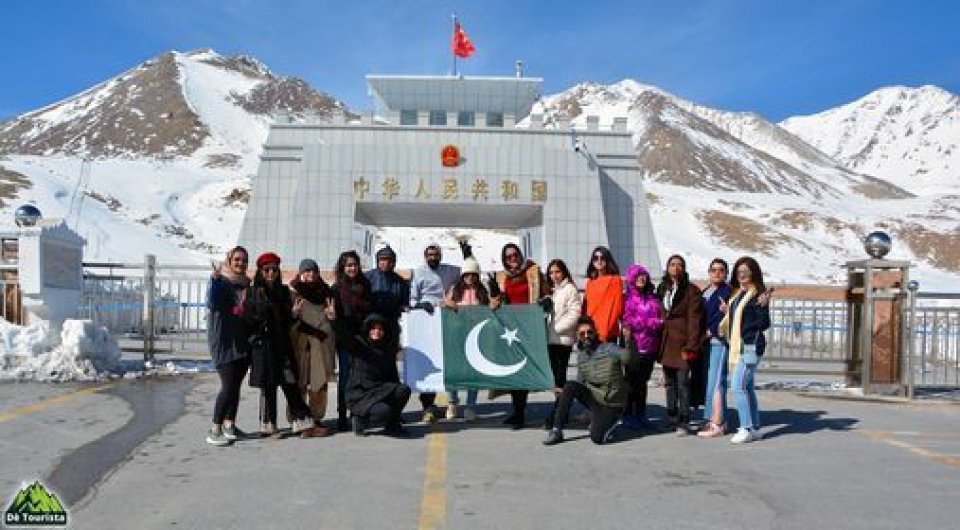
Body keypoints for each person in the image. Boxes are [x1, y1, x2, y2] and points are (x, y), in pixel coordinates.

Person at [245, 252, 323, 438]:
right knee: (269, 386)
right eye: (267, 269)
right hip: (264, 346)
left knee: (290, 383)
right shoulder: (253, 292)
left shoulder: (282, 291)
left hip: (282, 344)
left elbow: (287, 321)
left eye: (274, 269)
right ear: (261, 271)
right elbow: (249, 320)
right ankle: (268, 427)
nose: (271, 273)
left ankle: (302, 423)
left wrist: (294, 313)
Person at [543, 317, 632, 446]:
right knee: (570, 386)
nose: (586, 336)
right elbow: (580, 382)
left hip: (612, 404)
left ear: (595, 332)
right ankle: (557, 430)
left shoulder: (608, 348)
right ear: (578, 336)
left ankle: (614, 421)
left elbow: (627, 358)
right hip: (596, 401)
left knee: (597, 438)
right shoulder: (582, 355)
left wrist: (628, 341)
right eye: (582, 334)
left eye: (589, 332)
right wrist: (564, 393)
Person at [491, 243, 550, 430]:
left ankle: (525, 413)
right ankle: (517, 412)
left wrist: (545, 300)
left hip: (529, 328)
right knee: (514, 371)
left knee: (526, 370)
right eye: (508, 257)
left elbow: (547, 292)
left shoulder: (532, 271)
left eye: (515, 255)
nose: (513, 259)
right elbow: (497, 299)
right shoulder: (502, 277)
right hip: (510, 330)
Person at [718, 256, 771, 444]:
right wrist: (729, 311)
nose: (742, 274)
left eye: (746, 271)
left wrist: (763, 307)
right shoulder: (738, 294)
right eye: (739, 271)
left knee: (738, 386)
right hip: (739, 345)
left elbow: (764, 324)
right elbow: (739, 317)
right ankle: (755, 427)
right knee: (747, 386)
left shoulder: (757, 294)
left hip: (750, 346)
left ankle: (746, 428)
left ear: (753, 273)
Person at [205, 246, 253, 446]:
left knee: (235, 386)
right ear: (229, 261)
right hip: (224, 342)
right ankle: (214, 428)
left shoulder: (245, 286)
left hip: (242, 342)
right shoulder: (221, 282)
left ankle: (229, 425)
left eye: (243, 260)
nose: (240, 263)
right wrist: (215, 280)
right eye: (236, 260)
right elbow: (213, 301)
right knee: (228, 386)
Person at [409, 243, 460, 423]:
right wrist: (419, 305)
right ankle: (428, 406)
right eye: (430, 254)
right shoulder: (418, 272)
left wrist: (467, 252)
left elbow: (472, 274)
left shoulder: (451, 271)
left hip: (446, 319)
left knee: (449, 360)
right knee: (429, 365)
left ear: (441, 255)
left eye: (436, 254)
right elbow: (412, 298)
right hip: (426, 320)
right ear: (425, 256)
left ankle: (453, 400)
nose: (433, 257)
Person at [443, 256, 497, 421]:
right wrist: (452, 305)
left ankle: (471, 406)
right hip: (457, 335)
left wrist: (493, 304)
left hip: (476, 336)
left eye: (473, 274)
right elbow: (446, 303)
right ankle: (452, 402)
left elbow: (491, 305)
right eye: (467, 274)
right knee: (454, 368)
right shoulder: (455, 289)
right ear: (462, 275)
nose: (470, 278)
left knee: (473, 370)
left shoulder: (483, 291)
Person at [656, 254, 704, 435]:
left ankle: (684, 420)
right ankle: (671, 417)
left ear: (684, 269)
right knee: (669, 383)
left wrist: (691, 345)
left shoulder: (691, 290)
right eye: (672, 264)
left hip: (683, 342)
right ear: (667, 268)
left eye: (679, 265)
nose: (675, 268)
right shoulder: (662, 288)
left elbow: (695, 320)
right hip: (666, 342)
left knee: (683, 383)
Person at [288, 258, 336, 436]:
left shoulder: (326, 292)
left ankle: (316, 417)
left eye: (313, 271)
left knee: (319, 382)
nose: (310, 275)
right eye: (306, 271)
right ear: (300, 273)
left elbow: (332, 317)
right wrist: (294, 315)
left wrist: (332, 319)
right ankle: (297, 418)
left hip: (321, 343)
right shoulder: (293, 292)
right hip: (300, 342)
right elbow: (289, 319)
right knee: (299, 382)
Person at [346, 314, 412, 436]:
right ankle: (360, 420)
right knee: (383, 412)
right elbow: (343, 336)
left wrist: (397, 394)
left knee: (404, 390)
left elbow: (393, 376)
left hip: (380, 390)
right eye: (373, 328)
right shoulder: (359, 344)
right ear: (368, 330)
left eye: (380, 329)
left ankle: (393, 424)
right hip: (361, 393)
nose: (377, 331)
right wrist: (333, 321)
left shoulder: (387, 349)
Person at [332, 250, 372, 431]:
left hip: (362, 338)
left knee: (362, 376)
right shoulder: (337, 288)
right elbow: (334, 315)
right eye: (348, 265)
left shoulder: (365, 285)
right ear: (342, 267)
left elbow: (369, 310)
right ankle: (342, 414)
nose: (352, 268)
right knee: (346, 377)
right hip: (345, 339)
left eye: (355, 265)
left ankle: (358, 413)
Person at [621, 264, 663, 430]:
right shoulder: (627, 298)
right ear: (631, 278)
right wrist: (651, 323)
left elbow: (661, 318)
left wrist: (655, 323)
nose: (642, 278)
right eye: (638, 275)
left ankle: (641, 413)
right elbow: (627, 320)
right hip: (634, 344)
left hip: (651, 345)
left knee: (643, 382)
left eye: (644, 275)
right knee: (631, 381)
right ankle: (627, 414)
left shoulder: (653, 298)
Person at [542, 258, 581, 430]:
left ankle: (559, 411)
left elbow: (574, 314)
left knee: (560, 377)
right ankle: (560, 408)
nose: (554, 275)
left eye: (557, 272)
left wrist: (556, 329)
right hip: (552, 340)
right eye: (551, 272)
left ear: (564, 272)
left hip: (562, 340)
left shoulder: (570, 289)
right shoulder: (554, 291)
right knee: (556, 378)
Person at [697, 258, 733, 438]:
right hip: (706, 343)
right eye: (713, 270)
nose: (717, 273)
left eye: (721, 270)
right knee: (709, 380)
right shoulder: (706, 291)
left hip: (719, 341)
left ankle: (717, 421)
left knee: (717, 381)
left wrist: (712, 330)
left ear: (726, 273)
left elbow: (724, 316)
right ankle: (713, 416)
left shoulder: (728, 291)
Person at [364, 245, 410, 356]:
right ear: (378, 261)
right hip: (371, 325)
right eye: (383, 259)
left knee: (389, 359)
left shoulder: (400, 282)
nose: (386, 263)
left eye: (390, 260)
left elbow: (405, 303)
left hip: (391, 326)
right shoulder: (366, 278)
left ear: (394, 262)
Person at [582, 246, 624, 344]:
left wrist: (605, 331)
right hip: (590, 332)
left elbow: (616, 308)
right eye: (596, 258)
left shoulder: (615, 280)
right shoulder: (590, 283)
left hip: (608, 332)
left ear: (607, 260)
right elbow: (585, 308)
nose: (599, 261)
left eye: (602, 258)